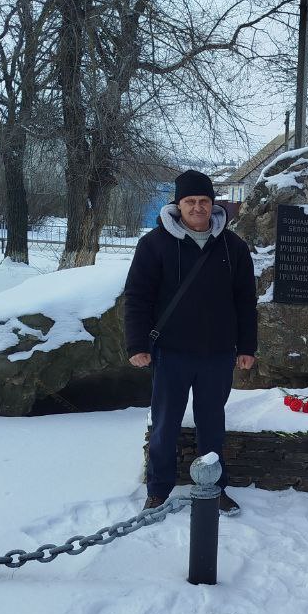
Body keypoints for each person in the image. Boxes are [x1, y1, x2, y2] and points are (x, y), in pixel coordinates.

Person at [125, 169, 257, 513]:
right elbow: (138, 297)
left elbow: (245, 300)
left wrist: (246, 347)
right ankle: (158, 489)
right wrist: (137, 344)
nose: (197, 207)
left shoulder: (233, 246)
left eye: (203, 201)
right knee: (165, 425)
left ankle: (214, 488)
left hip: (216, 355)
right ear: (178, 204)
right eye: (190, 201)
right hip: (171, 353)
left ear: (213, 204)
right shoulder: (154, 244)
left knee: (212, 426)